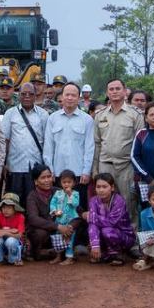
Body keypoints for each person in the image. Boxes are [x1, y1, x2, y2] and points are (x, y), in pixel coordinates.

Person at [94, 79, 144, 226]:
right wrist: (95, 169)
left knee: (129, 202)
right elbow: (97, 144)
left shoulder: (135, 115)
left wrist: (138, 171)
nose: (114, 91)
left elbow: (140, 144)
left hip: (126, 166)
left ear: (124, 91)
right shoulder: (100, 115)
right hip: (105, 165)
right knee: (105, 203)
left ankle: (131, 235)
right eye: (111, 89)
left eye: (118, 88)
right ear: (107, 93)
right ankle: (108, 235)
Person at [44, 83, 95, 213]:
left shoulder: (87, 120)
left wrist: (86, 171)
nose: (70, 98)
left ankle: (79, 227)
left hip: (78, 174)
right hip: (57, 173)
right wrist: (50, 170)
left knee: (78, 209)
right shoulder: (52, 118)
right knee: (58, 208)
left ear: (79, 98)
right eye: (67, 95)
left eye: (73, 95)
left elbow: (89, 148)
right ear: (62, 96)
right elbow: (48, 147)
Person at [0, 82, 48, 206]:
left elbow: (47, 141)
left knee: (34, 204)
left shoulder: (43, 115)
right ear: (18, 95)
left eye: (30, 94)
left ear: (35, 96)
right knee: (14, 204)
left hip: (36, 168)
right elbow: (4, 141)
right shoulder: (10, 113)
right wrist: (3, 164)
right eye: (23, 94)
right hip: (14, 167)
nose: (27, 96)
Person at [87, 173, 132, 265]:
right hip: (104, 235)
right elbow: (92, 223)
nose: (101, 190)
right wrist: (95, 245)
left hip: (124, 237)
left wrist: (92, 217)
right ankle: (103, 252)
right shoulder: (93, 201)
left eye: (104, 187)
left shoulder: (119, 201)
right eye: (98, 187)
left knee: (106, 231)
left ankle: (117, 254)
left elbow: (111, 222)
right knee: (93, 227)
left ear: (112, 188)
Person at [49, 170, 81, 264]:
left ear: (73, 183)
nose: (66, 184)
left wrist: (70, 194)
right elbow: (52, 203)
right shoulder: (57, 193)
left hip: (70, 220)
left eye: (69, 182)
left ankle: (69, 258)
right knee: (58, 239)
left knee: (69, 239)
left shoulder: (75, 193)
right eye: (64, 182)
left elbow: (75, 204)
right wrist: (54, 211)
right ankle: (58, 256)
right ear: (60, 183)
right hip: (59, 220)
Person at [0, 192, 25, 265]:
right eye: (4, 207)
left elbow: (19, 235)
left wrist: (4, 233)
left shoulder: (20, 217)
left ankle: (14, 259)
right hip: (2, 241)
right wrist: (9, 231)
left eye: (9, 208)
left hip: (14, 243)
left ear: (15, 208)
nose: (5, 210)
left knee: (10, 241)